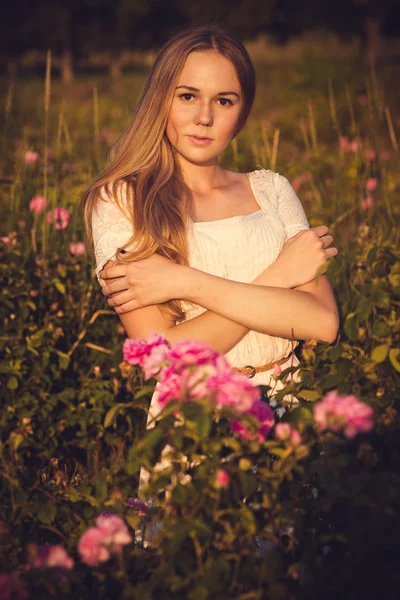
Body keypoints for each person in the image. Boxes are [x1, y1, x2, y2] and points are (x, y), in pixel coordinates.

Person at [81, 25, 339, 426]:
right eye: (187, 96)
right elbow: (164, 356)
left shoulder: (271, 189)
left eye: (224, 100)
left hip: (289, 410)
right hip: (192, 420)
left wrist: (185, 282)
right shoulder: (121, 202)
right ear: (160, 100)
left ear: (242, 111)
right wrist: (281, 276)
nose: (204, 117)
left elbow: (322, 323)